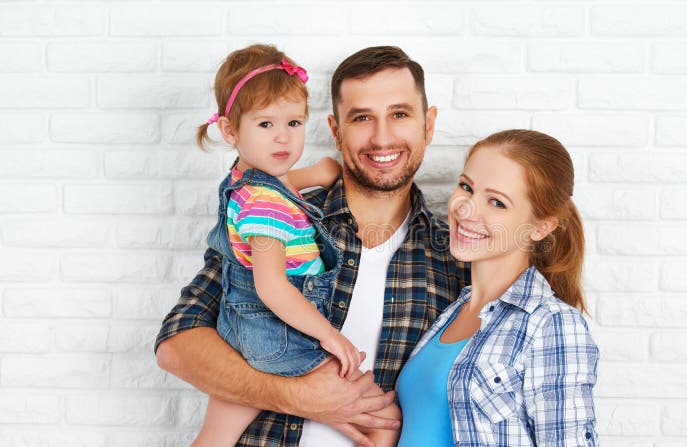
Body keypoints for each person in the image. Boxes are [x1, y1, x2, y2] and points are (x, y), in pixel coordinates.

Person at [155, 46, 469, 447]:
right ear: (336, 131)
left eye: (400, 114)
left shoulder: (455, 257)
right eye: (362, 118)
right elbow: (177, 344)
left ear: (429, 124)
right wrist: (299, 397)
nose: (382, 136)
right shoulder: (278, 218)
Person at [188, 43, 396, 447]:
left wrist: (314, 173)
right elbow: (273, 287)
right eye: (265, 125)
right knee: (382, 415)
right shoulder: (267, 208)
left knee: (214, 438)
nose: (283, 138)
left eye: (295, 123)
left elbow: (275, 188)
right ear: (230, 130)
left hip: (241, 331)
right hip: (277, 337)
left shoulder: (247, 183)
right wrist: (329, 337)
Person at [396, 129, 599, 446]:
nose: (466, 210)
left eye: (496, 202)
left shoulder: (550, 325)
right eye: (467, 187)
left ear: (540, 226)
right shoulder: (451, 311)